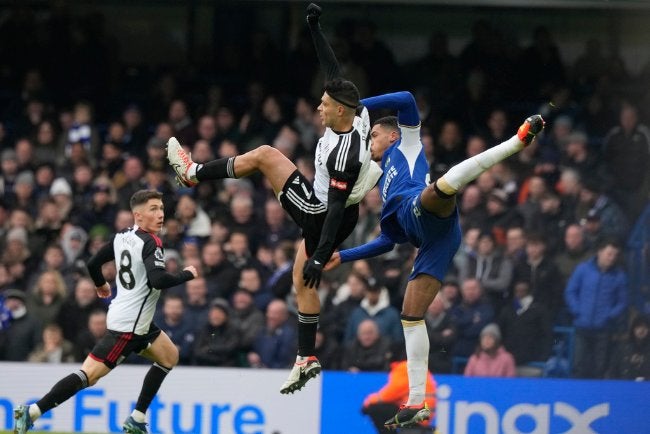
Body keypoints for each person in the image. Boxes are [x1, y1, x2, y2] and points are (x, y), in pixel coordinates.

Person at [166, 3, 381, 394]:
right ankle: (305, 358)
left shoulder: (343, 155)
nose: (318, 107)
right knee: (303, 284)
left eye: (324, 105)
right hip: (335, 209)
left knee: (265, 156)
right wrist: (315, 27)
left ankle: (193, 173)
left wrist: (320, 253)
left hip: (321, 214)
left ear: (339, 110)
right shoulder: (357, 112)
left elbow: (332, 211)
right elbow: (334, 69)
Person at [326, 87, 544, 428]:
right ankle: (416, 402)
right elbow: (387, 242)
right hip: (434, 242)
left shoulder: (407, 143)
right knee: (410, 316)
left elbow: (408, 100)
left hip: (424, 211)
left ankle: (516, 142)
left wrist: (357, 106)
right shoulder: (382, 181)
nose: (370, 142)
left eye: (374, 135)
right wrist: (344, 255)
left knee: (441, 188)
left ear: (393, 134)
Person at [13, 189, 198, 434]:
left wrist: (101, 284)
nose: (160, 214)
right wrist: (187, 274)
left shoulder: (123, 236)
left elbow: (93, 263)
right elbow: (158, 280)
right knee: (89, 376)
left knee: (169, 356)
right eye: (153, 209)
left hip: (134, 320)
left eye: (161, 208)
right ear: (138, 216)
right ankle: (33, 410)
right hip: (128, 327)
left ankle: (137, 417)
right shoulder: (152, 242)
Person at [564, 237, 628, 379]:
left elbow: (622, 302)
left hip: (603, 329)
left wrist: (609, 316)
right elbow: (571, 291)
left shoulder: (619, 276)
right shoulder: (583, 269)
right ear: (600, 252)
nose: (612, 258)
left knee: (599, 366)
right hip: (582, 326)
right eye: (609, 254)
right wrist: (576, 310)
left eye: (615, 255)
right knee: (578, 365)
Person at [362, 359, 437, 434]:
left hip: (414, 413)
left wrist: (369, 401)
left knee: (375, 409)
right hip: (420, 414)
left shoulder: (403, 367)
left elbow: (391, 393)